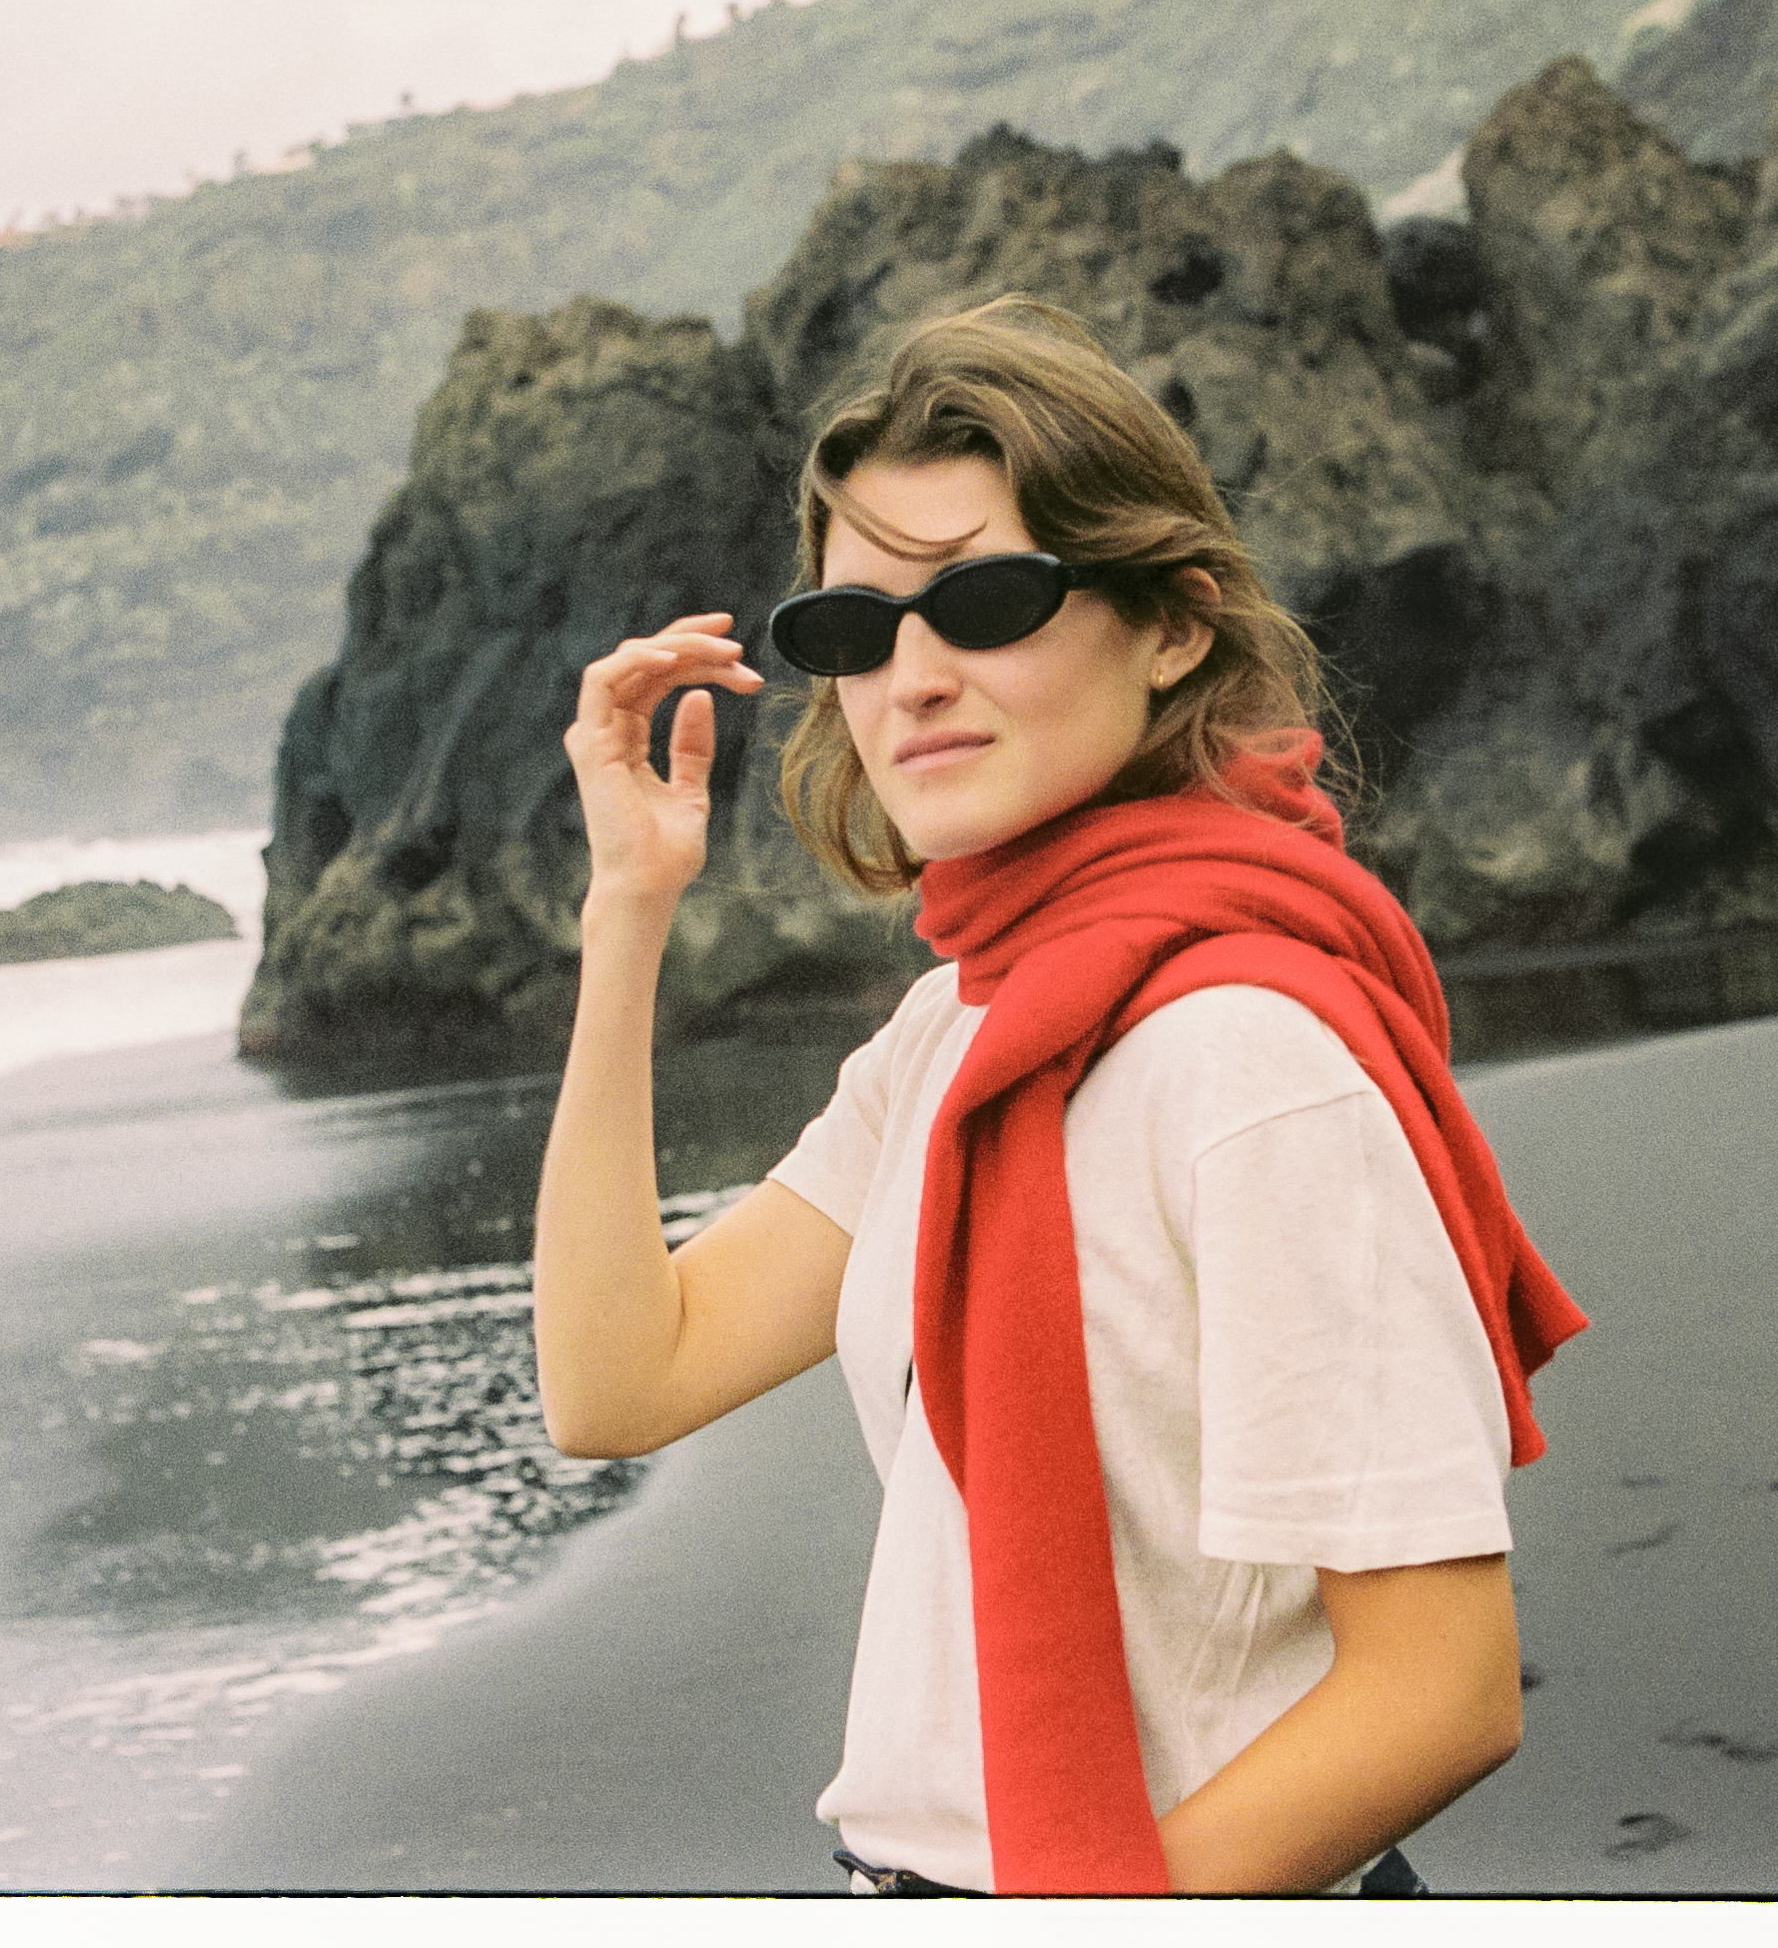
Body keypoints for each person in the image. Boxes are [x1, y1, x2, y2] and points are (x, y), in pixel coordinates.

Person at [532, 294, 1586, 1897]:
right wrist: (625, 910)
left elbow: (1436, 1694)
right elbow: (621, 1383)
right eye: (854, 628)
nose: (911, 678)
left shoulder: (1248, 1061)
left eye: (987, 599)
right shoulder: (950, 1034)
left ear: (1172, 625)